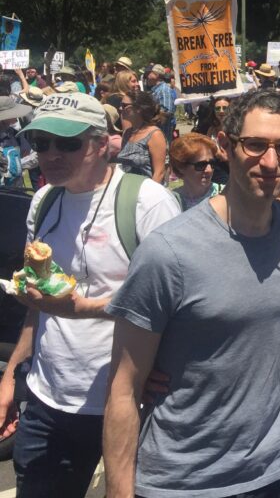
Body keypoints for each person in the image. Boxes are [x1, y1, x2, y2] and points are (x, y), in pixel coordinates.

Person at [103, 88, 280, 498]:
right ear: (224, 145)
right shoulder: (168, 251)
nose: (270, 162)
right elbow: (124, 388)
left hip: (270, 471)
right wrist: (118, 491)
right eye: (255, 145)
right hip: (183, 480)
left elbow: (270, 327)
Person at [0, 92, 179, 498]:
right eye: (41, 142)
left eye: (67, 142)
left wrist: (82, 308)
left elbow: (173, 303)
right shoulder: (44, 202)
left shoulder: (148, 203)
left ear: (102, 143)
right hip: (48, 401)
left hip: (126, 402)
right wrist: (11, 376)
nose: (51, 154)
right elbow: (38, 308)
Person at [116, 91, 168, 183]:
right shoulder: (127, 133)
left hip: (149, 191)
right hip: (129, 190)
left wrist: (147, 195)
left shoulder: (154, 135)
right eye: (120, 104)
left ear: (138, 109)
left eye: (124, 105)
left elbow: (159, 173)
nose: (120, 108)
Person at [169, 132, 223, 210]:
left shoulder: (223, 194)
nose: (209, 170)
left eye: (212, 163)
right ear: (181, 167)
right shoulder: (171, 199)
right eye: (201, 165)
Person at [148, 65, 177, 145]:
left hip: (163, 130)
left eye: (149, 73)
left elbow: (167, 110)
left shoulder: (163, 89)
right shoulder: (157, 90)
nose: (147, 76)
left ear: (156, 75)